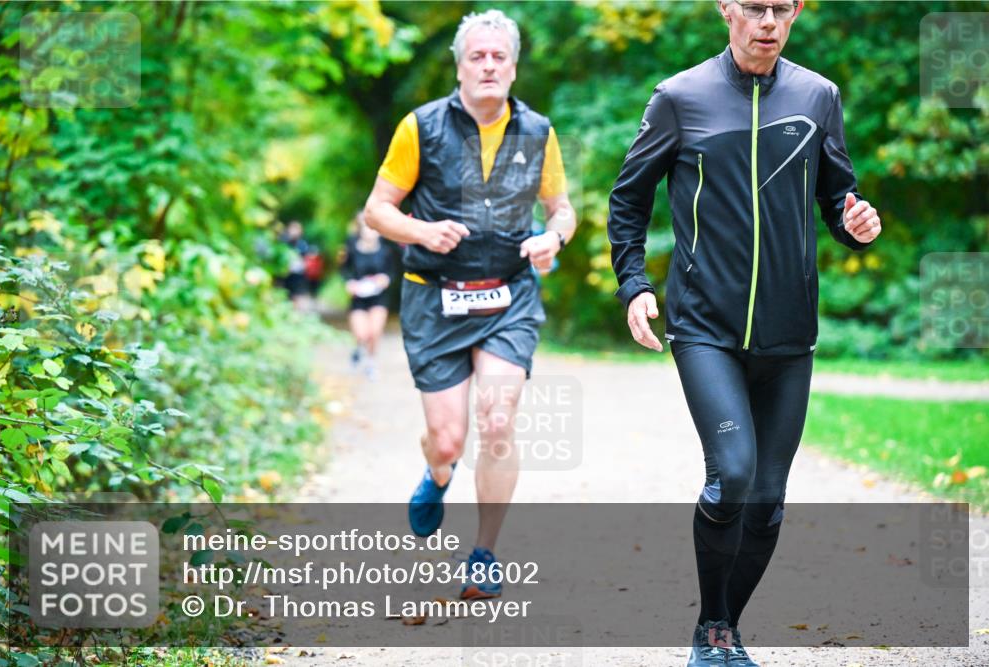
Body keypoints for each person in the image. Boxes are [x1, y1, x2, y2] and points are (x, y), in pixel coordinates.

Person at [606, 2, 882, 665]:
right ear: (727, 9)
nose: (767, 21)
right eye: (754, 7)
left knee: (766, 502)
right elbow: (628, 198)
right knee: (732, 474)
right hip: (706, 328)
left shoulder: (819, 96)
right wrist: (634, 283)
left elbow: (837, 198)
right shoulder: (679, 98)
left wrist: (855, 224)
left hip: (789, 335)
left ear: (796, 12)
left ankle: (719, 625)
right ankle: (714, 631)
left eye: (780, 8)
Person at [363, 9, 576, 599]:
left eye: (498, 57)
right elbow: (376, 210)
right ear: (460, 66)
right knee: (449, 439)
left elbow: (562, 209)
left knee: (499, 420)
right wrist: (422, 232)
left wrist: (551, 237)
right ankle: (438, 473)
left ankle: (484, 552)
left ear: (512, 68)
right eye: (476, 56)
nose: (488, 65)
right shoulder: (421, 127)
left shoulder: (538, 132)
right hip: (435, 300)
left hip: (508, 298)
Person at [340, 212, 397, 379]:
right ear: (361, 229)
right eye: (366, 227)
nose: (370, 231)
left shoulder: (386, 250)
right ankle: (358, 348)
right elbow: (344, 271)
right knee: (362, 333)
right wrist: (349, 283)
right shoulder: (351, 248)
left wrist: (385, 279)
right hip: (358, 298)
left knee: (375, 331)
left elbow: (392, 272)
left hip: (378, 297)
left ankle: (371, 363)